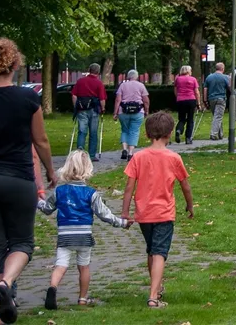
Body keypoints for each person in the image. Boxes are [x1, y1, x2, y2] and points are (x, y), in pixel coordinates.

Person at [0, 37, 56, 325]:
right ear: (15, 65)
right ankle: (6, 283)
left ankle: (1, 314)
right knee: (23, 242)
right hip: (18, 179)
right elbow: (41, 140)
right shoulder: (28, 99)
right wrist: (50, 170)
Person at [37, 150, 131, 310]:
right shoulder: (91, 194)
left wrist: (37, 201)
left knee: (61, 265)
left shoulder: (59, 191)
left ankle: (52, 288)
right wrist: (122, 223)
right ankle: (82, 298)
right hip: (84, 236)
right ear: (88, 169)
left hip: (65, 236)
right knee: (84, 267)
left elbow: (47, 209)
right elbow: (104, 214)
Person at [122, 112, 194, 309]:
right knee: (160, 252)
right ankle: (153, 296)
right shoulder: (174, 158)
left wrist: (125, 212)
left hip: (144, 213)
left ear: (147, 134)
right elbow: (185, 185)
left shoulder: (138, 157)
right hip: (164, 213)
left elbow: (129, 187)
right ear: (170, 133)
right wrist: (189, 204)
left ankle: (157, 286)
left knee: (151, 251)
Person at [70, 64, 107, 162]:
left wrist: (76, 106)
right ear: (98, 72)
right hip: (94, 110)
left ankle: (79, 154)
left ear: (89, 70)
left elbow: (74, 95)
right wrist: (103, 108)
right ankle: (91, 155)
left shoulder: (80, 81)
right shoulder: (99, 83)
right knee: (93, 133)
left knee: (82, 132)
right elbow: (102, 99)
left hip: (82, 110)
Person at [113, 69, 150, 160]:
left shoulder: (122, 85)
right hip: (138, 112)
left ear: (128, 76)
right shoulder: (141, 85)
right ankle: (130, 153)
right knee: (134, 131)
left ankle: (124, 149)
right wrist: (146, 111)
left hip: (123, 111)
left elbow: (118, 100)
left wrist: (115, 112)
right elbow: (146, 100)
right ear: (136, 76)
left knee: (125, 130)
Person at [172, 65, 201, 145]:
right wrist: (198, 103)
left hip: (181, 100)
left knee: (181, 118)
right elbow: (197, 92)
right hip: (191, 100)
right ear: (188, 71)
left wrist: (178, 97)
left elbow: (175, 90)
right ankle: (188, 138)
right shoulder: (193, 79)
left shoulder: (177, 79)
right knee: (190, 119)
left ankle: (178, 130)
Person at [203, 63, 230, 140]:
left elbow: (205, 89)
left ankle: (220, 134)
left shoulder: (209, 77)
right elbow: (230, 87)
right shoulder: (225, 77)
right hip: (221, 99)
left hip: (211, 99)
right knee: (218, 116)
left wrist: (205, 100)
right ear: (223, 69)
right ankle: (213, 134)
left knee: (217, 116)